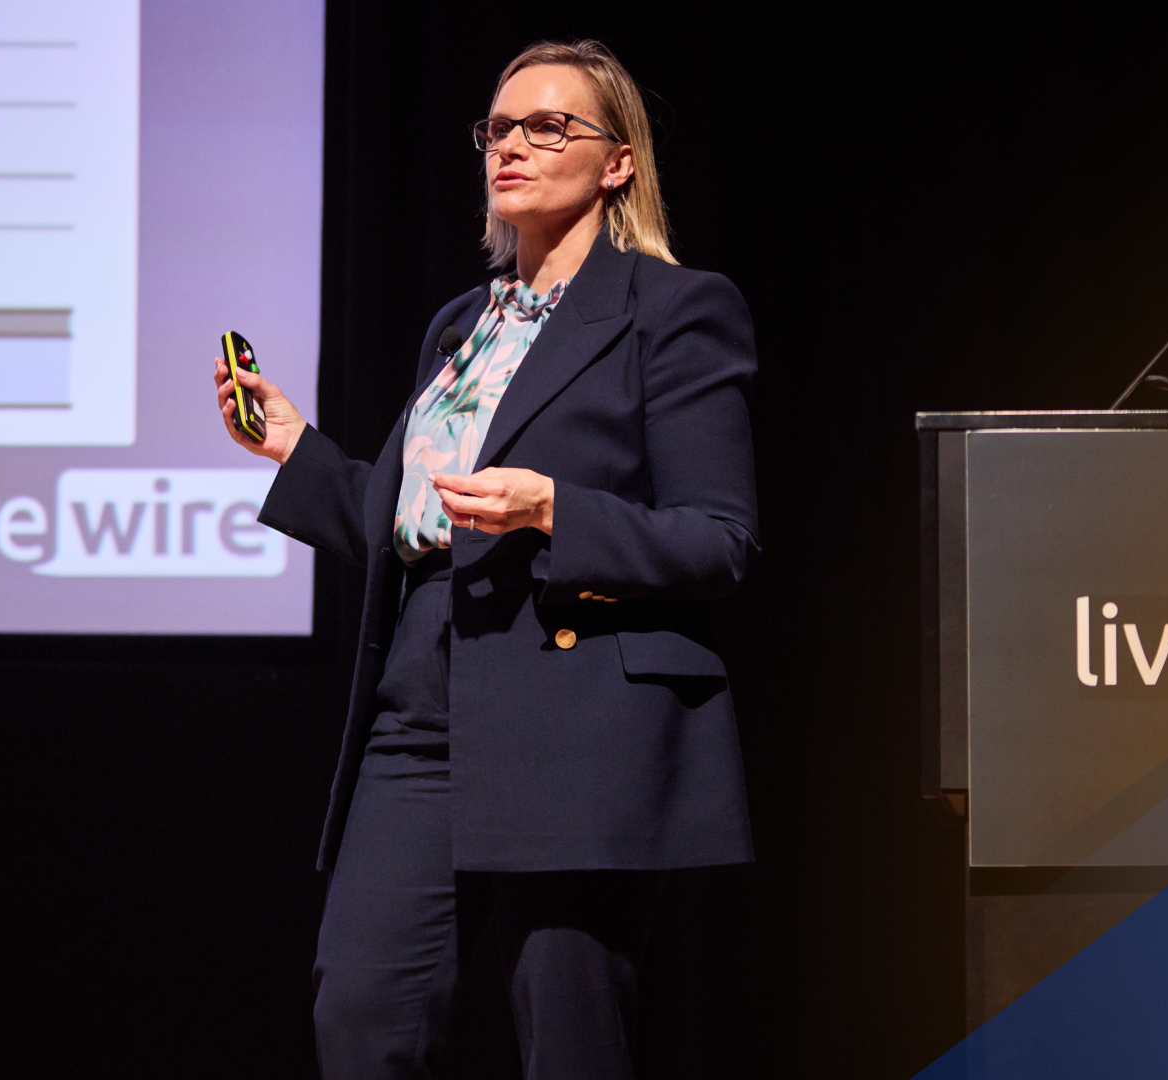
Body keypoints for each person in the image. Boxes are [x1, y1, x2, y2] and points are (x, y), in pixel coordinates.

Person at [212, 39, 759, 1080]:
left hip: (576, 709)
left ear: (618, 162)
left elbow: (718, 539)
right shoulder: (462, 324)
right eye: (499, 128)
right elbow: (420, 524)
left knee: (569, 1037)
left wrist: (555, 509)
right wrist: (296, 451)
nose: (511, 146)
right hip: (424, 706)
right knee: (362, 1014)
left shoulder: (675, 310)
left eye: (549, 126)